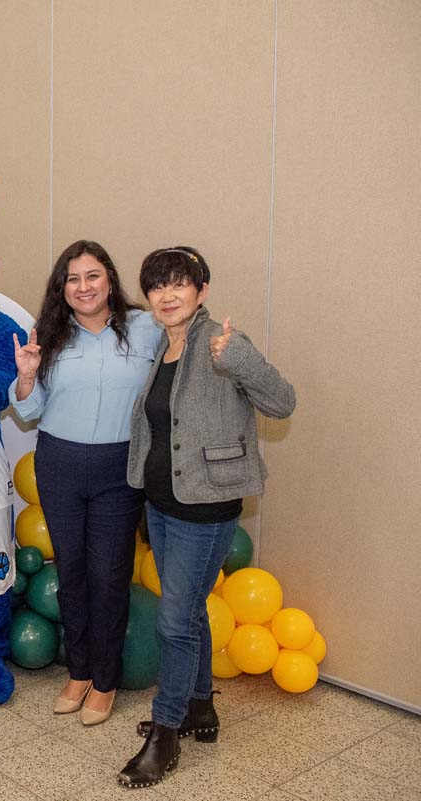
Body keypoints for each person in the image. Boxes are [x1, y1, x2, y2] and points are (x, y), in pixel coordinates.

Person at [117, 246, 295, 789]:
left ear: (202, 290)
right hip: (165, 504)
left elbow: (283, 402)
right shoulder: (164, 347)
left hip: (207, 507)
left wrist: (239, 358)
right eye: (157, 286)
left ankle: (166, 735)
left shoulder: (221, 342)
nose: (167, 295)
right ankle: (199, 708)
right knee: (188, 613)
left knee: (174, 621)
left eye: (179, 284)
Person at [13, 240, 160, 725]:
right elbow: (30, 413)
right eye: (73, 279)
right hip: (59, 462)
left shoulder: (145, 328)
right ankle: (78, 672)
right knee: (71, 574)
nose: (83, 287)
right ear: (63, 288)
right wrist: (28, 378)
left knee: (109, 576)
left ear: (110, 280)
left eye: (92, 276)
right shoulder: (50, 336)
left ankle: (106, 678)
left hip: (120, 468)